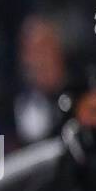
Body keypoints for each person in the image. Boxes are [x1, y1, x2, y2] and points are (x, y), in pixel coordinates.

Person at [14, 15, 68, 145]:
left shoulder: (80, 92)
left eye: (43, 48)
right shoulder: (17, 102)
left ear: (58, 50)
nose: (38, 59)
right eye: (31, 51)